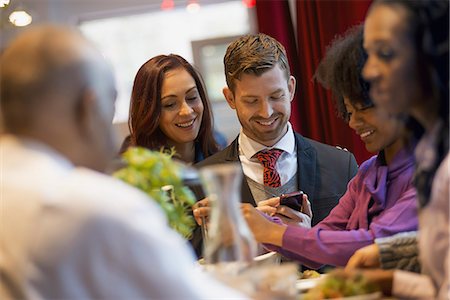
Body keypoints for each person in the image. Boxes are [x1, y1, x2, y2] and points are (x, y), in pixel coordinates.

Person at [0, 25, 245, 299]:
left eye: (191, 97)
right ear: (90, 108)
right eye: (110, 103)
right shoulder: (97, 204)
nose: (186, 111)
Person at [241, 25, 418, 268]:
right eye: (349, 111)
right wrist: (260, 224)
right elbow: (324, 236)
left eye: (364, 108)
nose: (354, 122)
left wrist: (272, 232)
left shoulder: (433, 173)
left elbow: (377, 245)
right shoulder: (367, 174)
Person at [193, 33, 359, 255]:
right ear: (230, 98)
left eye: (275, 96)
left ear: (290, 88)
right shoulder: (202, 180)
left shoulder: (341, 165)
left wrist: (307, 241)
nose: (266, 112)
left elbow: (360, 255)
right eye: (251, 101)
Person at [345, 0, 449, 298]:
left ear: (433, 53)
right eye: (369, 54)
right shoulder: (431, 146)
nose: (369, 71)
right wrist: (388, 278)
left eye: (386, 54)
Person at [121, 54, 226, 164]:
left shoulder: (219, 145)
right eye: (170, 104)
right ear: (149, 113)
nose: (187, 111)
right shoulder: (134, 166)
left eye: (192, 97)